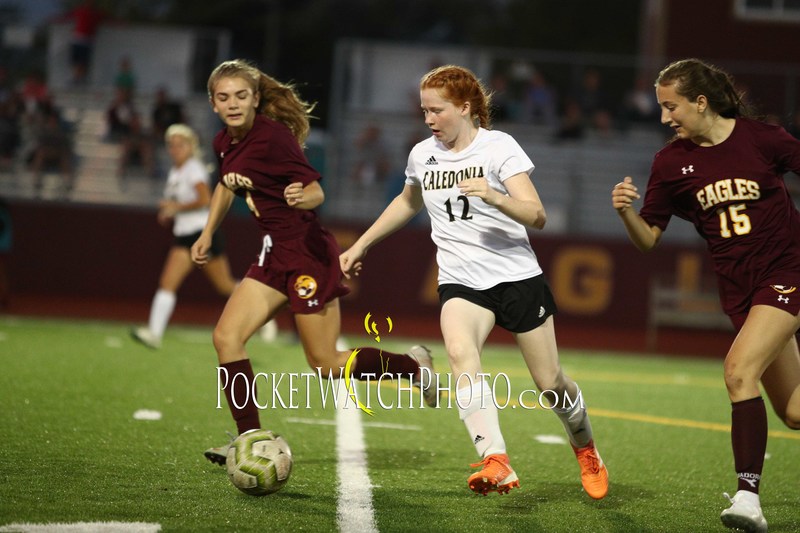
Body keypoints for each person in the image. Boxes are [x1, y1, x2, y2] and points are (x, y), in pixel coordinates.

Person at [340, 65, 609, 498]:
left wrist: (493, 195)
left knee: (551, 385)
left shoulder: (499, 147)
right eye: (424, 110)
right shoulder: (421, 155)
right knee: (460, 355)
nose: (428, 119)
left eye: (437, 110)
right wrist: (362, 244)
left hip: (517, 279)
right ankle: (495, 459)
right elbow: (407, 201)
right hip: (461, 282)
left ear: (465, 108)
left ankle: (586, 448)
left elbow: (537, 214)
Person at [193, 59, 437, 464]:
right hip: (274, 253)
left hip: (306, 253)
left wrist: (300, 196)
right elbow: (224, 185)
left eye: (240, 95)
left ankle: (412, 366)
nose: (232, 103)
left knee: (325, 364)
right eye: (224, 97)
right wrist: (207, 232)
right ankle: (250, 438)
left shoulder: (273, 138)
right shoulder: (224, 141)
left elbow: (315, 193)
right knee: (226, 338)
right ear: (213, 104)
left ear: (255, 99)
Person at [611, 58, 800, 533]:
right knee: (794, 412)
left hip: (786, 271)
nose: (664, 117)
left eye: (670, 106)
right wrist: (626, 213)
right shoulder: (670, 163)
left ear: (700, 102)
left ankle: (748, 498)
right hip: (738, 288)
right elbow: (649, 238)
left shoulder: (763, 139)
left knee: (738, 372)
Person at [131, 123, 236, 349]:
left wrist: (175, 208)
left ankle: (265, 312)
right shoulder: (176, 171)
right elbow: (178, 203)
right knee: (167, 283)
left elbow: (205, 199)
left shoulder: (193, 169)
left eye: (180, 144)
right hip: (184, 235)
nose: (175, 149)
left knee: (225, 286)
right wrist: (169, 211)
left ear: (191, 146)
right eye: (172, 145)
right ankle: (154, 333)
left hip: (202, 234)